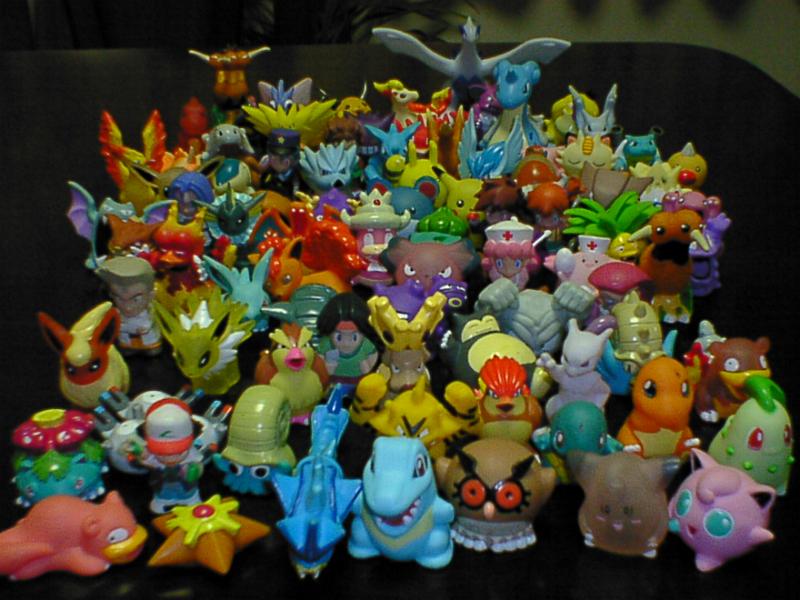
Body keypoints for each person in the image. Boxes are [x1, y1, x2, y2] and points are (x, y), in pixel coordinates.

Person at [95, 255, 161, 355]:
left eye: (136, 299)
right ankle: (129, 347)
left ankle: (150, 347)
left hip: (148, 339)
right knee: (127, 349)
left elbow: (149, 324)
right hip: (127, 340)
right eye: (120, 299)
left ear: (151, 295)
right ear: (111, 295)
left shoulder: (150, 311)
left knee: (152, 349)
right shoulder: (117, 313)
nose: (128, 307)